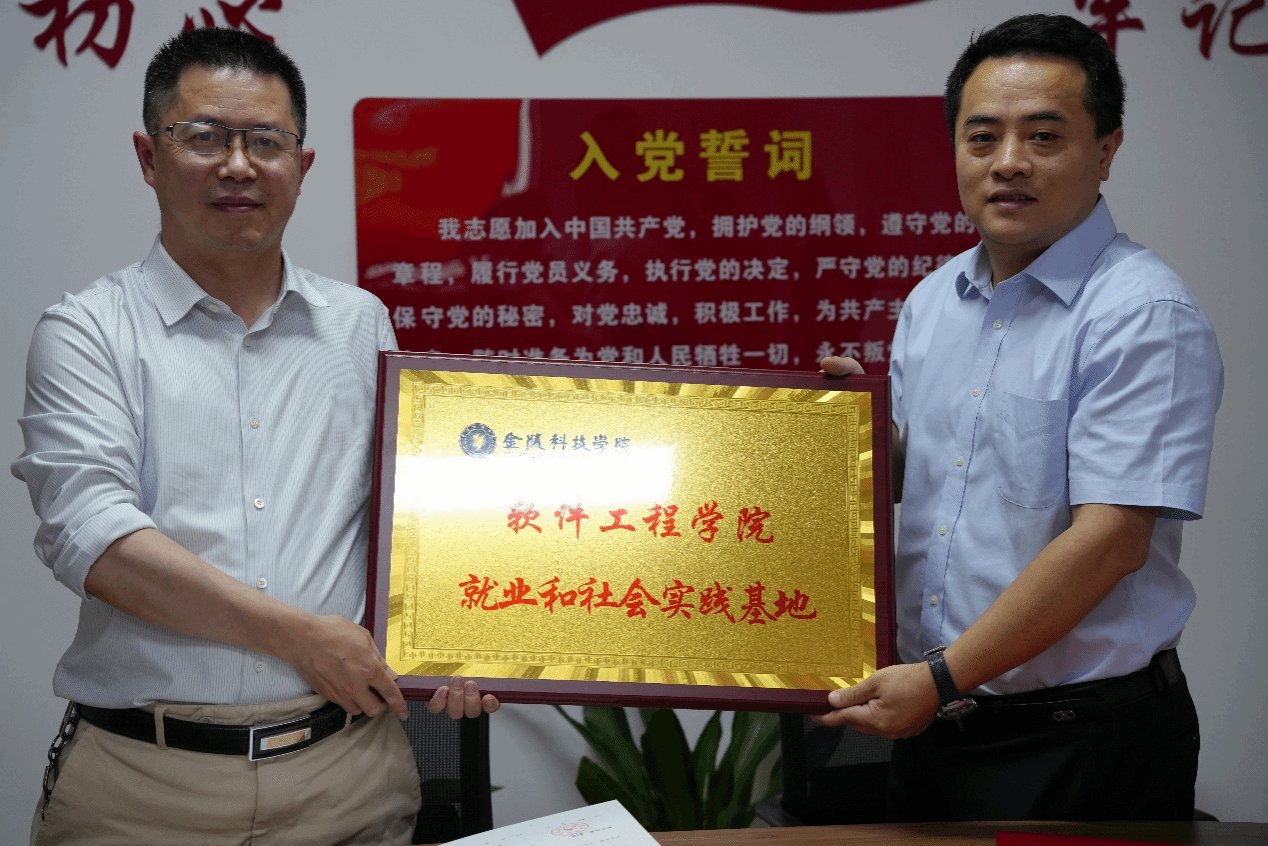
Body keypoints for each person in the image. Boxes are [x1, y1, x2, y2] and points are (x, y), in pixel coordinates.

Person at [12, 28, 495, 846]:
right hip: (145, 789)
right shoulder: (87, 331)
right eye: (203, 137)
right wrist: (298, 636)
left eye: (266, 142)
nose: (238, 166)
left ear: (302, 166)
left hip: (348, 778)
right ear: (148, 156)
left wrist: (465, 635)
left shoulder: (360, 325)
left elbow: (411, 523)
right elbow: (96, 541)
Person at [818, 14, 1222, 821]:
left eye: (1044, 136)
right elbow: (932, 478)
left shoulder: (1142, 312)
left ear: (1106, 149)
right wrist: (850, 435)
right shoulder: (933, 301)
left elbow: (1110, 540)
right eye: (982, 137)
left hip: (1080, 740)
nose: (1008, 162)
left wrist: (941, 677)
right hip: (935, 724)